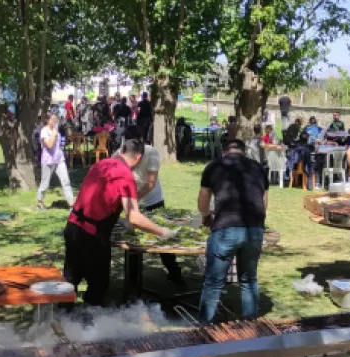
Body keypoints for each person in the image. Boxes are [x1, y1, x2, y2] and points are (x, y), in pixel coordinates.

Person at [64, 139, 172, 305]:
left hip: (72, 227)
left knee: (70, 280)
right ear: (138, 158)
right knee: (98, 284)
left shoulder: (102, 164)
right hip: (92, 236)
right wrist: (162, 231)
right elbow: (134, 217)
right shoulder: (125, 174)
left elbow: (97, 198)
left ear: (122, 150)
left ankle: (62, 319)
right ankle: (88, 321)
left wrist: (118, 219)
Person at [198, 138, 269, 323]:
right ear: (244, 152)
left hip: (225, 228)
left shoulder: (214, 166)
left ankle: (205, 327)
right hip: (254, 229)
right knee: (249, 279)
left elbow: (203, 201)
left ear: (224, 152)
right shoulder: (258, 167)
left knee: (214, 282)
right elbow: (264, 202)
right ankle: (250, 324)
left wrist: (206, 217)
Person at [118, 125, 185, 286]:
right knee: (133, 241)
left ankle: (174, 273)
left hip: (152, 200)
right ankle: (132, 280)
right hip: (131, 203)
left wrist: (135, 198)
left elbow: (151, 182)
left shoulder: (151, 152)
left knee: (163, 240)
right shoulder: (118, 155)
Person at [37, 113, 74, 210]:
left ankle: (71, 205)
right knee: (45, 183)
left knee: (66, 181)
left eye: (55, 119)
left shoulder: (56, 131)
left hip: (59, 159)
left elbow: (59, 144)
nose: (54, 121)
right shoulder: (44, 131)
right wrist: (53, 134)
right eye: (52, 119)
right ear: (47, 120)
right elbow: (49, 145)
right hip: (48, 160)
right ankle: (40, 202)